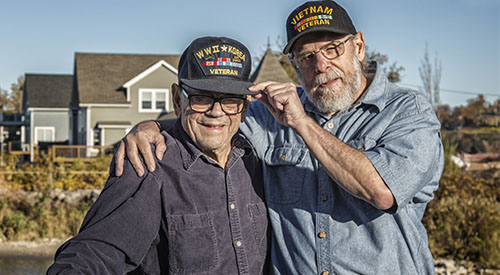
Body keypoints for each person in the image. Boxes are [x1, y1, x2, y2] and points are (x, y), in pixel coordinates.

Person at [115, 1, 444, 274]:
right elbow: (213, 120)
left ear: (358, 47)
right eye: (306, 57)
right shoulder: (269, 114)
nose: (321, 65)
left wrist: (301, 124)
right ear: (295, 66)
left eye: (332, 48)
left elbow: (381, 190)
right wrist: (150, 127)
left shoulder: (406, 111)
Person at [47, 36, 270, 274]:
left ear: (244, 107)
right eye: (201, 98)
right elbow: (97, 250)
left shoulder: (258, 159)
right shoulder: (150, 164)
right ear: (177, 99)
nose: (216, 112)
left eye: (230, 100)